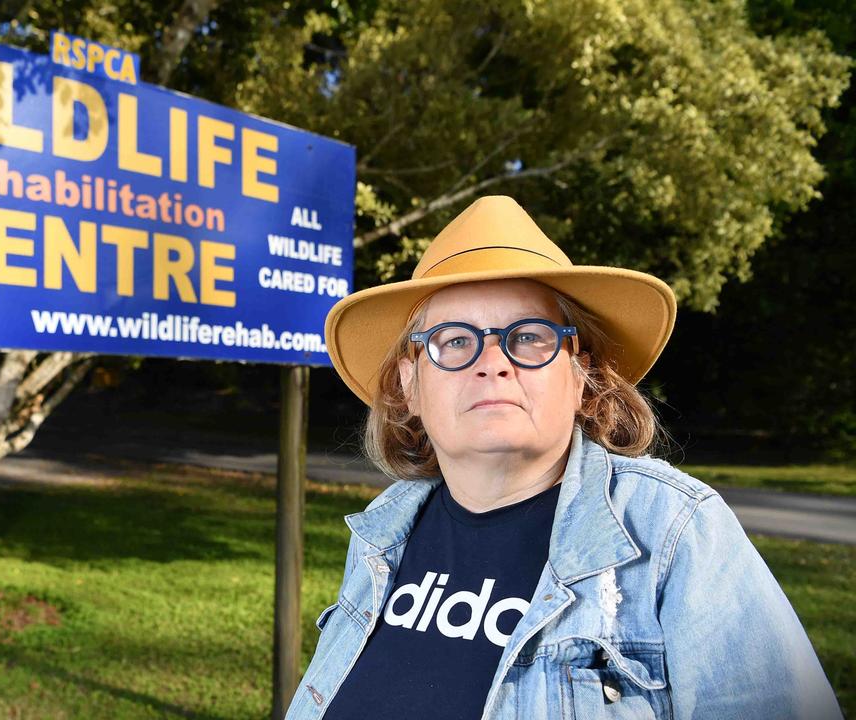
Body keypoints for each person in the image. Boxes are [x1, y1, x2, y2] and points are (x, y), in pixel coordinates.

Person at [284, 195, 842, 720]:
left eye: (528, 337)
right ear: (410, 383)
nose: (493, 363)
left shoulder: (674, 529)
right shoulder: (382, 531)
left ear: (583, 375)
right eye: (455, 341)